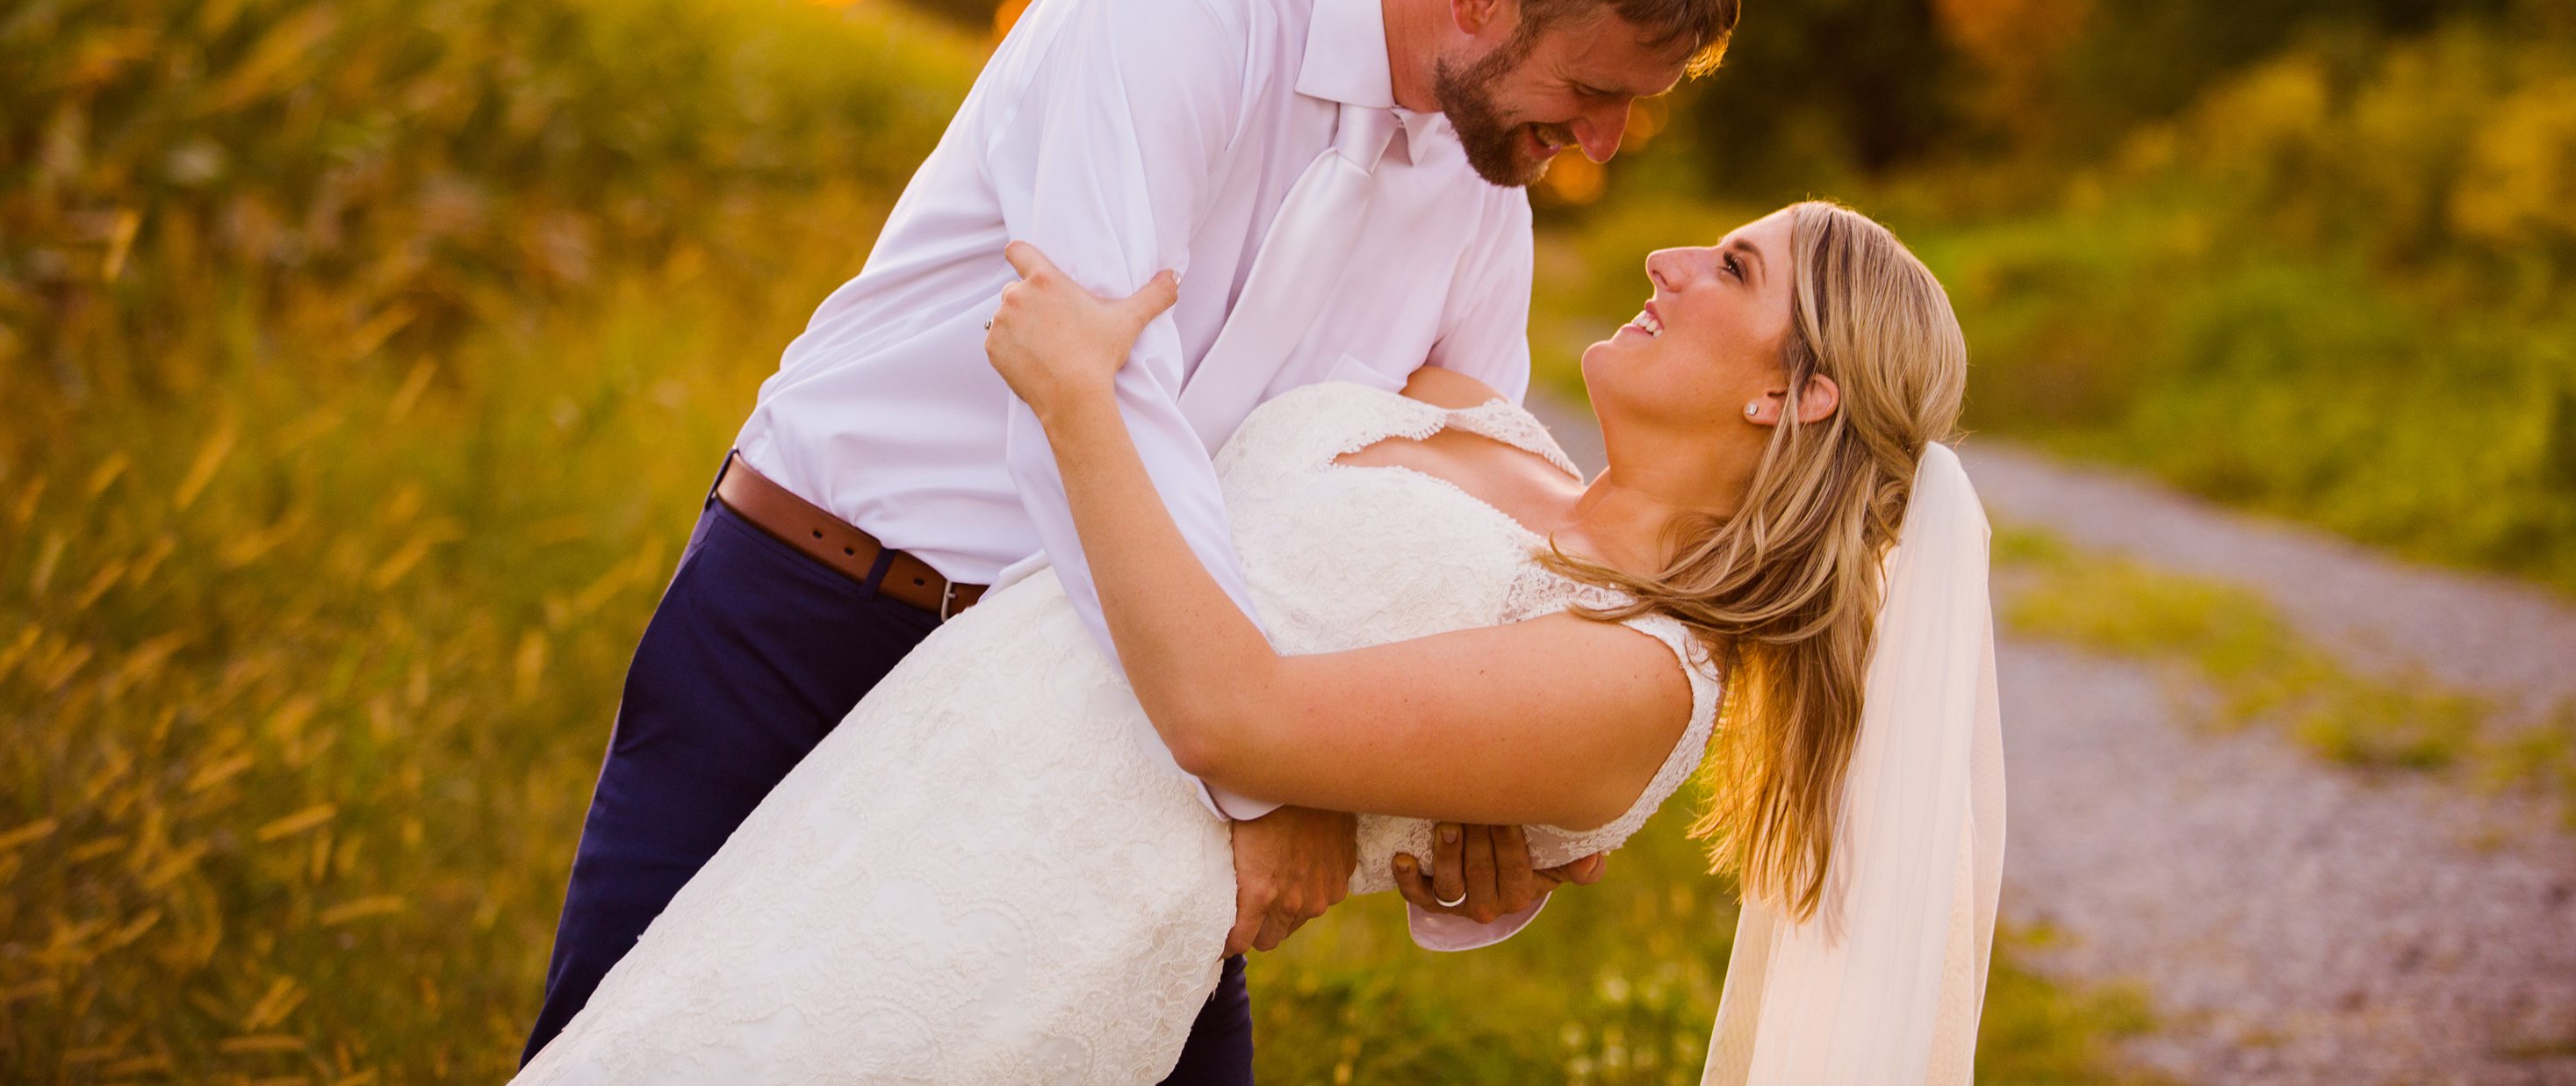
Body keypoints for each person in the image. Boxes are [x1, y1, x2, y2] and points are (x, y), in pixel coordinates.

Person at [519, 0, 1743, 1077]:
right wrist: (1263, 789)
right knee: (634, 1041)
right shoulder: (1172, 8)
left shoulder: (1485, 207)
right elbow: (1092, 410)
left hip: (1103, 725)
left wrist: (1480, 816)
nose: (1603, 142)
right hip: (825, 622)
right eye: (1598, 91)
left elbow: (1444, 529)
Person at [514, 201, 1999, 1084]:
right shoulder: (1474, 420)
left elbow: (1234, 715)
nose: (1672, 259)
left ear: (1794, 397)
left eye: (1733, 271)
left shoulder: (1638, 672)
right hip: (890, 800)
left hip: (1035, 925)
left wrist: (1079, 404)